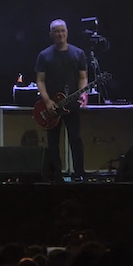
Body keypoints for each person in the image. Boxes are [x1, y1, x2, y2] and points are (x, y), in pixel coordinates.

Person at [35, 19, 87, 182]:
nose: (60, 34)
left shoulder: (78, 53)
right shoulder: (44, 55)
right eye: (56, 31)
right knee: (53, 142)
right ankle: (56, 175)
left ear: (67, 32)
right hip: (52, 106)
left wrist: (83, 94)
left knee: (75, 139)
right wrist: (47, 101)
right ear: (51, 34)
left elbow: (83, 77)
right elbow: (40, 80)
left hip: (72, 103)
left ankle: (79, 173)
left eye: (63, 30)